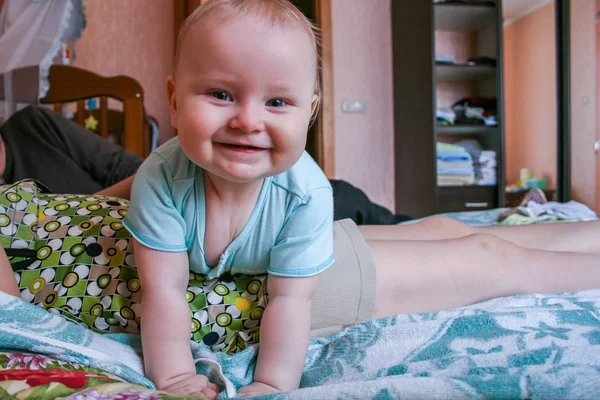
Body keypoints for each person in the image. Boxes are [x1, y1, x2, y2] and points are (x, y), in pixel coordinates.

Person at [1, 1, 600, 399]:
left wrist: (271, 383)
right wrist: (178, 376)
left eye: (278, 103)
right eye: (218, 93)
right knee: (481, 250)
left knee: (463, 236)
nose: (247, 121)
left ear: (311, 113)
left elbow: (289, 298)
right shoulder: (161, 179)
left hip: (282, 257)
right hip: (214, 284)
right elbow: (162, 292)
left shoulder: (305, 190)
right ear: (174, 99)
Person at [0, 106, 407, 224]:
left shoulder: (30, 126)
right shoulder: (8, 209)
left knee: (340, 199)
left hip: (181, 203)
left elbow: (130, 167)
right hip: (159, 240)